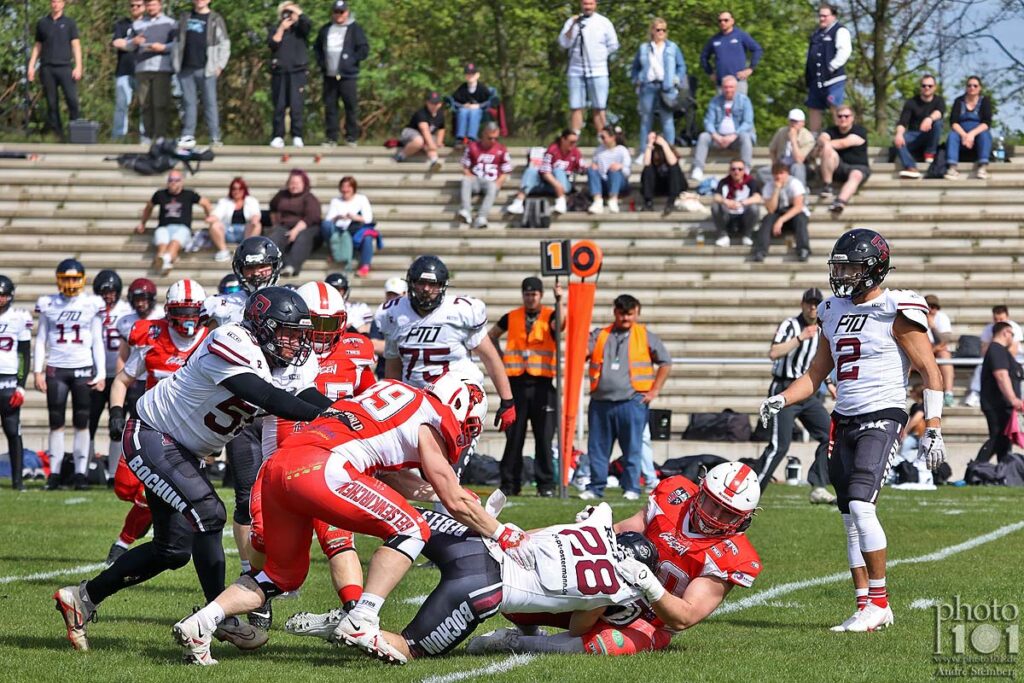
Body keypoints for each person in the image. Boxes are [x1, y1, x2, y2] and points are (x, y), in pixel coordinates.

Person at [170, 375, 526, 667]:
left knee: (281, 576)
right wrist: (503, 533)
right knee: (412, 528)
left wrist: (439, 492)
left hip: (280, 467)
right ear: (458, 406)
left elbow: (395, 474)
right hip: (322, 466)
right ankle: (362, 619)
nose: (464, 433)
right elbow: (452, 495)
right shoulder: (430, 417)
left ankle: (201, 623)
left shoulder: (398, 395)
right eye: (468, 425)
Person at [53, 287, 334, 653]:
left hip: (184, 449)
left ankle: (82, 598)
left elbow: (305, 395)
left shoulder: (283, 360)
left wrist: (345, 411)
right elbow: (267, 397)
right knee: (210, 513)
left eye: (299, 334)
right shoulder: (231, 339)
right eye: (287, 332)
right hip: (153, 434)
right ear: (263, 327)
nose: (295, 343)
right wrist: (325, 416)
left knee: (172, 550)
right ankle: (220, 618)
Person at [760, 228, 947, 632]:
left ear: (875, 269)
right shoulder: (832, 310)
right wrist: (782, 399)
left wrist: (933, 426)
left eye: (851, 267)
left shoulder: (896, 307)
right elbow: (815, 374)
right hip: (843, 418)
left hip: (882, 414)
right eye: (839, 267)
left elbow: (930, 370)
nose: (842, 275)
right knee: (848, 518)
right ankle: (865, 605)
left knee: (862, 506)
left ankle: (879, 603)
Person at [290, 503, 659, 660]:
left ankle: (323, 506)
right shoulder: (615, 588)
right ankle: (354, 627)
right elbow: (578, 628)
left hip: (478, 544)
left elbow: (533, 536)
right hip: (484, 587)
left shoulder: (597, 522)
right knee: (410, 647)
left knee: (404, 518)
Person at [469, 462, 762, 657]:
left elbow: (685, 617)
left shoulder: (733, 555)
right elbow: (621, 530)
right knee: (520, 591)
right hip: (609, 588)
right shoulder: (674, 496)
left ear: (744, 519)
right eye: (712, 503)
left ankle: (519, 643)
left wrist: (649, 584)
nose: (714, 516)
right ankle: (528, 630)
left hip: (648, 620)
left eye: (727, 513)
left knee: (609, 645)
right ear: (700, 489)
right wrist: (587, 529)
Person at [259, 281, 374, 619]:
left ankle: (355, 614)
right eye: (316, 323)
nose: (322, 333)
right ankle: (258, 599)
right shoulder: (277, 351)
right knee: (263, 537)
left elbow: (369, 401)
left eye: (330, 323)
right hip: (280, 457)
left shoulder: (357, 350)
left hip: (329, 460)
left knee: (338, 537)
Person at [105, 279, 210, 566]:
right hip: (149, 425)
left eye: (192, 312)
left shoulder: (212, 342)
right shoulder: (153, 337)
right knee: (124, 488)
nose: (187, 318)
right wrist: (116, 412)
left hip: (186, 435)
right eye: (181, 311)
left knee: (152, 490)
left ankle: (124, 540)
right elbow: (122, 380)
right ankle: (150, 512)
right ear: (168, 311)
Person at [379, 255, 516, 432]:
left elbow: (490, 358)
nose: (426, 289)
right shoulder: (394, 313)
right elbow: (393, 366)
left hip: (457, 400)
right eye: (421, 283)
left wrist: (507, 400)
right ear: (411, 284)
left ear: (442, 286)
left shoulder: (460, 311)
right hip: (415, 400)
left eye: (433, 284)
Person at [582, 294, 672, 500]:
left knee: (632, 448)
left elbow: (665, 362)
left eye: (630, 314)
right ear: (615, 312)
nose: (625, 318)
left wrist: (654, 390)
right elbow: (581, 352)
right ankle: (596, 487)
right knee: (597, 448)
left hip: (632, 402)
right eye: (622, 314)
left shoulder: (645, 336)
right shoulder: (600, 335)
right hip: (601, 401)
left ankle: (631, 487)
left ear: (637, 313)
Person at [488, 277, 566, 497]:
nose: (530, 298)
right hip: (516, 385)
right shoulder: (511, 316)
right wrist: (500, 359)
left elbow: (560, 326)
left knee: (544, 438)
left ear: (541, 295)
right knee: (514, 437)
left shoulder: (551, 314)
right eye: (527, 294)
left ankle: (546, 485)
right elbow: (491, 336)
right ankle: (510, 484)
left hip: (542, 385)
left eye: (534, 294)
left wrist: (560, 300)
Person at [756, 288, 835, 503]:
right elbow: (774, 353)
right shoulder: (790, 325)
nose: (812, 307)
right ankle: (752, 491)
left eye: (816, 304)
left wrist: (829, 384)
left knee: (830, 436)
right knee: (779, 446)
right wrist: (800, 338)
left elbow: (818, 363)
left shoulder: (823, 329)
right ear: (802, 304)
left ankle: (818, 486)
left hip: (807, 391)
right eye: (809, 303)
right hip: (784, 389)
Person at [33, 260, 105, 491]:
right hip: (57, 368)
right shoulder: (48, 303)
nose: (71, 283)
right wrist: (37, 371)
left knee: (82, 421)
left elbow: (97, 340)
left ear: (82, 279)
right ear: (58, 279)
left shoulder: (92, 304)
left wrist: (101, 372)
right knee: (56, 422)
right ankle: (54, 473)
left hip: (83, 367)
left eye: (75, 278)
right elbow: (41, 340)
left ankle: (81, 473)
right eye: (66, 278)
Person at [88, 270, 133, 475]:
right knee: (89, 422)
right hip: (96, 374)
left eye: (112, 292)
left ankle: (114, 473)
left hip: (120, 375)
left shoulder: (127, 310)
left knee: (117, 425)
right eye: (104, 292)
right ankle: (85, 470)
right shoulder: (92, 309)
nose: (108, 296)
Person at [172, 0, 230, 148]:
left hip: (207, 69)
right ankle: (188, 135)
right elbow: (176, 41)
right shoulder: (185, 17)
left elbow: (224, 43)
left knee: (210, 103)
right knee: (188, 103)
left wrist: (220, 65)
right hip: (185, 68)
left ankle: (215, 137)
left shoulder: (215, 19)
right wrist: (175, 62)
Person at [135, 170, 216, 274]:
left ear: (181, 182)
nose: (173, 182)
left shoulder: (189, 194)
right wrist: (143, 223)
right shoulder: (160, 194)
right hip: (163, 227)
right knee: (162, 242)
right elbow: (148, 207)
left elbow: (205, 203)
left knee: (175, 242)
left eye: (176, 180)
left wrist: (210, 217)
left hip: (182, 227)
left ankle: (163, 260)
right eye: (170, 180)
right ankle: (167, 261)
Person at [558, 0, 619, 134]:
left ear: (595, 5)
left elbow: (613, 44)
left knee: (599, 106)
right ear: (581, 5)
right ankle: (575, 137)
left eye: (590, 4)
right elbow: (564, 43)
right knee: (576, 106)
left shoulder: (604, 22)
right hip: (576, 71)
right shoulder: (572, 21)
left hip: (598, 70)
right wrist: (573, 25)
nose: (588, 7)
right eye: (585, 4)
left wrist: (601, 55)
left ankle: (602, 137)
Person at [313, 0, 369, 147]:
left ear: (347, 12)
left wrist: (351, 60)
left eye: (341, 12)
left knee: (350, 106)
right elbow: (317, 48)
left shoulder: (355, 29)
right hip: (329, 75)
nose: (339, 15)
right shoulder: (326, 29)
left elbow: (363, 49)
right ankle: (331, 138)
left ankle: (351, 137)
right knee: (330, 106)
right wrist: (321, 63)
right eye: (336, 12)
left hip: (348, 76)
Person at [630, 17, 687, 158]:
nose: (661, 32)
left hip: (666, 86)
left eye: (664, 30)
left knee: (667, 120)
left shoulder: (672, 47)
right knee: (646, 120)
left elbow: (681, 66)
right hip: (648, 86)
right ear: (652, 31)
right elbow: (635, 67)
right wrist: (636, 80)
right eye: (658, 30)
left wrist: (676, 79)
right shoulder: (644, 48)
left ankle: (670, 151)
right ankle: (644, 152)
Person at [28, 0, 82, 141]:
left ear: (63, 4)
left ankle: (76, 133)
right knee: (52, 104)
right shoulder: (42, 23)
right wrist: (31, 66)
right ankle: (59, 136)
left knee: (72, 101)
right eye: (53, 1)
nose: (55, 4)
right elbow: (37, 46)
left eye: (58, 1)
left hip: (65, 67)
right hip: (47, 68)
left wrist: (78, 66)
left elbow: (76, 45)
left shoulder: (70, 23)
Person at [0, 276, 33, 491]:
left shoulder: (19, 317)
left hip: (8, 379)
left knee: (13, 430)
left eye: (3, 295)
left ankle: (17, 481)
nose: (0, 299)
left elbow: (24, 354)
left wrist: (21, 385)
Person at [690, 75, 755, 181]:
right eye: (726, 87)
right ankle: (698, 168)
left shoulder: (744, 101)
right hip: (718, 138)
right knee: (703, 136)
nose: (728, 90)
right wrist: (716, 136)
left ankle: (746, 169)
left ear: (736, 87)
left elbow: (748, 122)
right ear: (722, 88)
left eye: (731, 87)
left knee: (745, 136)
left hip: (736, 139)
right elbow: (708, 121)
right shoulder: (715, 101)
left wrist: (734, 135)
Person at [506, 129, 582, 216]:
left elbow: (582, 168)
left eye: (575, 142)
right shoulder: (552, 149)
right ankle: (518, 202)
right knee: (531, 170)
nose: (573, 144)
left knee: (558, 171)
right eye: (571, 142)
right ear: (563, 139)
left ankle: (561, 201)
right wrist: (557, 185)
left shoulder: (576, 152)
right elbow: (545, 172)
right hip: (548, 184)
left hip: (565, 185)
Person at [976, 322, 1023, 463]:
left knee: (1004, 440)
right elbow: (1001, 375)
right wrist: (1013, 399)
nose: (1012, 338)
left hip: (1003, 404)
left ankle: (1003, 470)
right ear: (1006, 332)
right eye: (1012, 334)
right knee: (998, 438)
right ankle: (976, 468)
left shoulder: (1002, 351)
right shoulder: (997, 350)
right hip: (997, 404)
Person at [268, 2, 312, 148]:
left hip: (297, 71)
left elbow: (308, 25)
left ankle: (297, 135)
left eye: (290, 13)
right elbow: (272, 44)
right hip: (279, 72)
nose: (288, 15)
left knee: (296, 105)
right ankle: (278, 136)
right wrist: (281, 28)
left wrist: (297, 12)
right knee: (279, 106)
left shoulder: (300, 29)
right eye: (285, 12)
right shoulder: (275, 28)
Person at [132, 0, 177, 143]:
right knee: (144, 104)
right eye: (149, 5)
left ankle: (160, 137)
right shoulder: (137, 24)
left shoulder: (171, 23)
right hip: (142, 68)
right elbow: (128, 45)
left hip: (161, 68)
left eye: (154, 4)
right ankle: (147, 136)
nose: (151, 7)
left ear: (160, 5)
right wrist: (133, 42)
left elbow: (178, 44)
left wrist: (163, 47)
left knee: (160, 104)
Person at [815, 105, 871, 217]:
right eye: (840, 116)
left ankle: (840, 201)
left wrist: (823, 145)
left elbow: (843, 143)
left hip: (858, 167)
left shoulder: (859, 131)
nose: (843, 119)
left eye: (846, 116)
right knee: (827, 148)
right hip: (837, 167)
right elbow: (822, 138)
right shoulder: (830, 130)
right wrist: (824, 143)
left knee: (856, 175)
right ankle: (827, 185)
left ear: (852, 118)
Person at [805, 3, 851, 134]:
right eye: (820, 16)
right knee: (814, 107)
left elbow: (845, 51)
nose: (821, 19)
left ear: (833, 16)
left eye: (825, 16)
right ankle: (814, 137)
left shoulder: (840, 31)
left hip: (833, 79)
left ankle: (840, 135)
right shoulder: (816, 33)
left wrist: (831, 67)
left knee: (835, 106)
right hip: (816, 80)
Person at [751, 162, 810, 263]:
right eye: (775, 173)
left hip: (794, 213)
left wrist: (781, 220)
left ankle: (803, 250)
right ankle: (760, 251)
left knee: (800, 218)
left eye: (781, 173)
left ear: (787, 173)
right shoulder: (769, 186)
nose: (778, 176)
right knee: (767, 219)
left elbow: (798, 207)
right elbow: (771, 209)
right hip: (778, 212)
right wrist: (776, 190)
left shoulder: (795, 183)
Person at [964, 305, 1022, 408]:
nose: (998, 322)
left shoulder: (1013, 328)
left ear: (1007, 317)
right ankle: (975, 393)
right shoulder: (989, 328)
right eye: (996, 319)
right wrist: (996, 339)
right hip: (995, 357)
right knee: (981, 368)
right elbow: (984, 351)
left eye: (1001, 319)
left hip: (1015, 358)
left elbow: (1013, 351)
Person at [458, 122, 512, 229]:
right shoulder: (472, 147)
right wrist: (468, 174)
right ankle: (466, 211)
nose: (493, 141)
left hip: (491, 181)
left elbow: (506, 171)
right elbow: (465, 166)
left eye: (496, 138)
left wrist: (498, 183)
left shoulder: (501, 149)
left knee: (492, 186)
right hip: (476, 179)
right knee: (465, 180)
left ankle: (482, 217)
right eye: (490, 138)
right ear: (483, 134)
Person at [268, 168, 321, 277]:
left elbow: (312, 217)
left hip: (306, 227)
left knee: (303, 238)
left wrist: (295, 231)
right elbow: (272, 207)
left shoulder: (309, 198)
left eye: (297, 183)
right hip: (284, 225)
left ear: (304, 184)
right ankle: (271, 266)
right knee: (275, 237)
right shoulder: (281, 195)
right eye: (292, 182)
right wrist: (275, 223)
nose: (294, 186)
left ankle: (291, 266)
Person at [322, 176, 378, 276]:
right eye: (343, 187)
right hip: (339, 230)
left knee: (367, 237)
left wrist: (354, 217)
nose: (345, 189)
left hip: (355, 230)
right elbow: (328, 219)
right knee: (325, 225)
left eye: (348, 187)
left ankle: (365, 265)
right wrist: (338, 217)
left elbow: (368, 218)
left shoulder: (361, 199)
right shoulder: (335, 201)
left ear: (353, 188)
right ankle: (333, 250)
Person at [894, 74, 945, 179]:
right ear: (920, 87)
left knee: (937, 123)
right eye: (924, 85)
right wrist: (899, 134)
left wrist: (929, 118)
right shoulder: (911, 102)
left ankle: (930, 153)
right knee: (898, 140)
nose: (927, 88)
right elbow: (902, 122)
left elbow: (939, 113)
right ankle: (911, 167)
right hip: (914, 136)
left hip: (930, 136)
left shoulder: (939, 100)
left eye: (930, 86)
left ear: (935, 87)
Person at [699, 10, 762, 95]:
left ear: (732, 21)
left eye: (726, 20)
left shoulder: (740, 35)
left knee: (740, 103)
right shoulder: (715, 39)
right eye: (720, 21)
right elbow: (704, 56)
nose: (723, 22)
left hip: (738, 82)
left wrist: (750, 69)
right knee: (721, 104)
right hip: (721, 84)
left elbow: (757, 49)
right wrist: (710, 72)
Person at [944, 76, 993, 180]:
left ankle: (982, 168)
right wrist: (964, 135)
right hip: (961, 133)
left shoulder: (985, 101)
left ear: (980, 88)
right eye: (969, 85)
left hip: (977, 133)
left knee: (985, 135)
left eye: (975, 86)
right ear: (966, 87)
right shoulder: (959, 101)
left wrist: (972, 134)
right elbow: (953, 122)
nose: (972, 88)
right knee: (952, 136)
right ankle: (952, 168)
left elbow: (986, 123)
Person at [111, 0, 145, 141]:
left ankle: (146, 138)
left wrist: (127, 44)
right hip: (123, 71)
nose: (135, 8)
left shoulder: (149, 23)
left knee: (145, 105)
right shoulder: (122, 24)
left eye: (138, 5)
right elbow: (116, 42)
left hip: (143, 70)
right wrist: (133, 42)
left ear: (144, 6)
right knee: (121, 105)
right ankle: (118, 137)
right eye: (132, 5)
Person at [711, 157, 761, 246]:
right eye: (733, 169)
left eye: (740, 169)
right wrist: (726, 202)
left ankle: (747, 235)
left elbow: (758, 197)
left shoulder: (750, 181)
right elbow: (716, 196)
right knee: (715, 206)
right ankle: (723, 236)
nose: (736, 172)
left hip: (744, 215)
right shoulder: (724, 182)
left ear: (744, 170)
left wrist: (742, 203)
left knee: (754, 208)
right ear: (729, 171)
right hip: (728, 216)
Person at [210, 177, 262, 263]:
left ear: (244, 190)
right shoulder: (224, 201)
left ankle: (246, 250)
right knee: (214, 225)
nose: (237, 191)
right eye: (234, 189)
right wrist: (212, 218)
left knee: (257, 225)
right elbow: (217, 214)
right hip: (228, 231)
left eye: (240, 189)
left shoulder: (251, 201)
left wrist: (254, 219)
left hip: (244, 232)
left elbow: (256, 214)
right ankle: (223, 251)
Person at [394, 90, 446, 170]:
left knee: (429, 142)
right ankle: (401, 155)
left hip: (426, 135)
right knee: (420, 141)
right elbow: (424, 130)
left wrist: (439, 141)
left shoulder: (440, 114)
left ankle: (434, 161)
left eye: (436, 103)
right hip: (411, 133)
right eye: (431, 103)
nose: (434, 106)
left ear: (440, 104)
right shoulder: (421, 113)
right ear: (427, 103)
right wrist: (431, 145)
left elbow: (441, 128)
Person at [587, 125, 631, 214]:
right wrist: (594, 166)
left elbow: (628, 172)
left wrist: (621, 167)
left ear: (613, 137)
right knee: (592, 170)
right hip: (604, 183)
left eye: (603, 137)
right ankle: (597, 201)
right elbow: (595, 168)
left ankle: (613, 199)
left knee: (614, 171)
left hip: (620, 183)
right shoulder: (598, 150)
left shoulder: (622, 150)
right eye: (601, 137)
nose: (602, 139)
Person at [639, 133, 686, 214]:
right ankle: (648, 203)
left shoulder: (669, 151)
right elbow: (646, 164)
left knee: (674, 169)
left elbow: (673, 163)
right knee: (648, 169)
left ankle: (670, 202)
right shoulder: (651, 152)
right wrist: (650, 144)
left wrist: (664, 144)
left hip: (674, 186)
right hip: (658, 186)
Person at [767, 108, 815, 185]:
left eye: (796, 121)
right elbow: (772, 149)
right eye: (791, 121)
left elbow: (799, 160)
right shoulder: (781, 132)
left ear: (803, 123)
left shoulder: (808, 138)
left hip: (801, 166)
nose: (793, 124)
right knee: (762, 172)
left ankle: (800, 190)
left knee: (797, 168)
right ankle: (777, 187)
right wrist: (775, 164)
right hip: (782, 164)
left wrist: (793, 140)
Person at [924, 295, 956, 407]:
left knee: (944, 354)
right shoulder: (917, 317)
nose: (931, 309)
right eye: (928, 306)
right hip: (923, 349)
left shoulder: (942, 317)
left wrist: (933, 327)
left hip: (935, 349)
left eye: (934, 307)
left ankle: (948, 392)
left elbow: (944, 341)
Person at [451, 62, 492, 144]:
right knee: (462, 112)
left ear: (477, 75)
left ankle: (472, 138)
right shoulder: (462, 88)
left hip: (479, 111)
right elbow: (454, 101)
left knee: (474, 112)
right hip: (465, 109)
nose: (470, 76)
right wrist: (463, 105)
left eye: (472, 74)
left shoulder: (482, 88)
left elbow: (489, 101)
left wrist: (479, 106)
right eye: (468, 74)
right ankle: (460, 138)